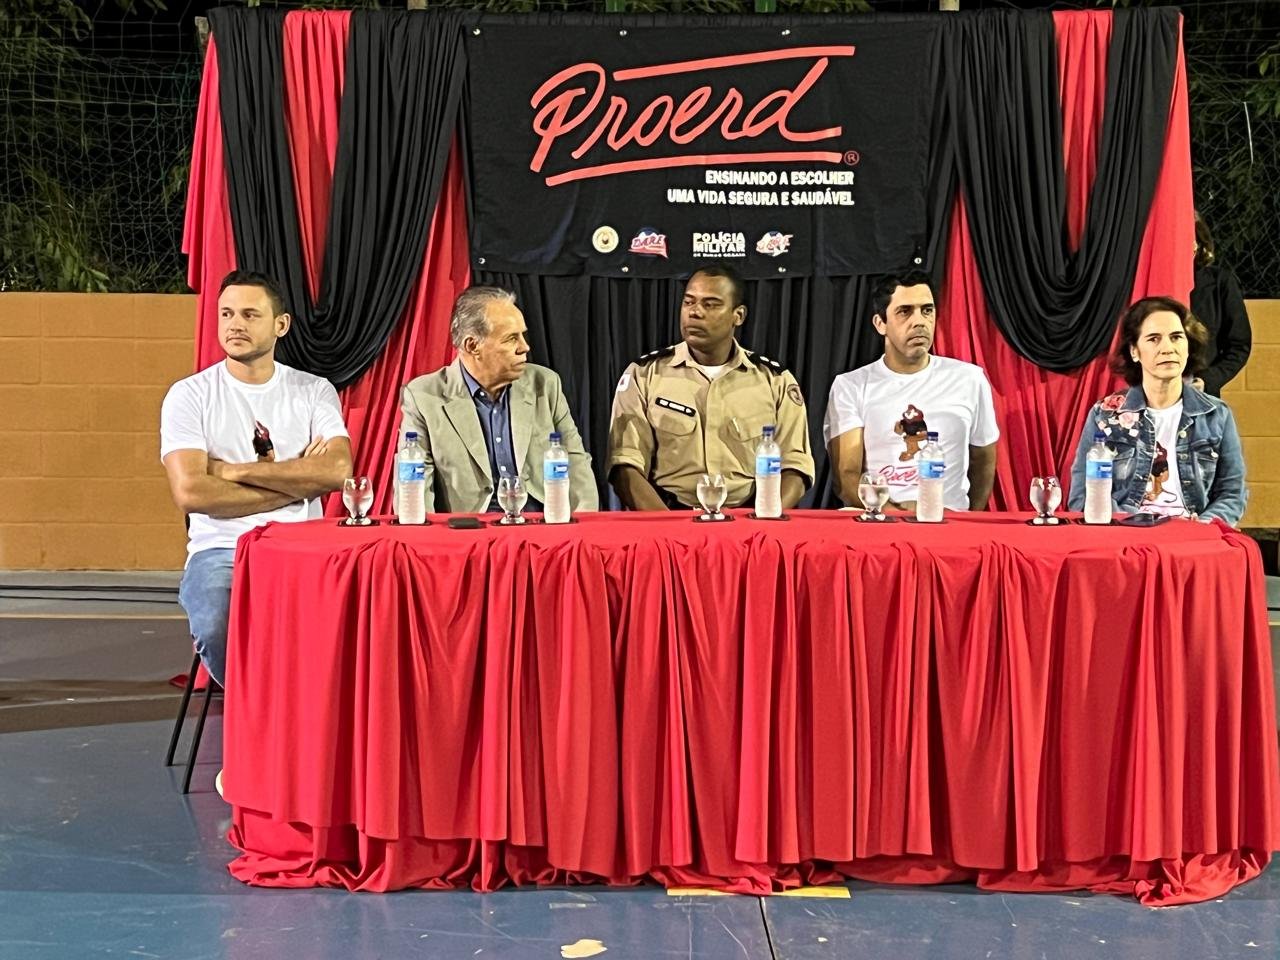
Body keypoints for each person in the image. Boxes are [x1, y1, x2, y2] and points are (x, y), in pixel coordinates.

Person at [161, 271, 352, 688]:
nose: (235, 324)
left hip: (304, 547)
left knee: (357, 619)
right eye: (226, 314)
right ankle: (259, 706)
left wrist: (232, 471)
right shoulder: (189, 395)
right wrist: (297, 484)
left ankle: (307, 706)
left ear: (280, 325)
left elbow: (337, 471)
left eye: (250, 314)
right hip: (221, 550)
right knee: (216, 623)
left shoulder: (313, 391)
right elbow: (191, 492)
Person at [608, 264, 814, 510]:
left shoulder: (775, 380)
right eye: (689, 302)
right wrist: (666, 526)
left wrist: (763, 518)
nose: (695, 312)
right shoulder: (644, 374)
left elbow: (795, 466)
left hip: (750, 516)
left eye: (711, 304)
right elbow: (625, 465)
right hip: (670, 514)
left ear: (738, 315)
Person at [398, 286, 598, 514]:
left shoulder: (545, 383)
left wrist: (584, 526)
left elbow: (576, 462)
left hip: (541, 522)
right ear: (473, 346)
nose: (524, 347)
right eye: (512, 338)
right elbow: (412, 486)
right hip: (470, 528)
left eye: (522, 335)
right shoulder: (424, 396)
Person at [824, 270, 999, 511]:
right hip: (880, 521)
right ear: (880, 324)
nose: (919, 322)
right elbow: (846, 477)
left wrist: (968, 520)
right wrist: (895, 516)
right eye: (905, 311)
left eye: (927, 310)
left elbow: (984, 460)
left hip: (950, 522)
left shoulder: (970, 379)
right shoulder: (851, 385)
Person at [1068, 296, 1246, 524]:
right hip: (1125, 534)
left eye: (1176, 337)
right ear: (1134, 351)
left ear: (1188, 346)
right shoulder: (1105, 415)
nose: (1167, 348)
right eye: (1154, 339)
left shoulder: (1216, 415)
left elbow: (1232, 494)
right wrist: (1125, 524)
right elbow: (1083, 495)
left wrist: (1202, 527)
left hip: (1194, 535)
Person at [1189, 213, 1252, 396]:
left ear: (1197, 243)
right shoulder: (1150, 281)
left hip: (1201, 397)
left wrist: (1207, 380)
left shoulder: (1219, 283)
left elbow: (1239, 345)